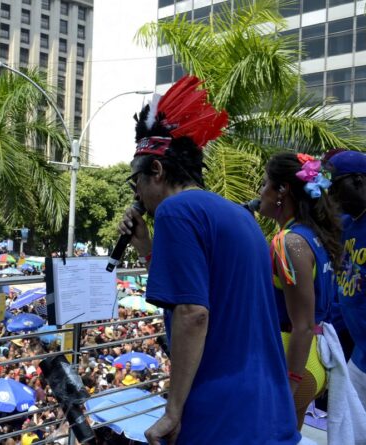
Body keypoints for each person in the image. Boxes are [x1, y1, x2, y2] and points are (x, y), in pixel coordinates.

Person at [119, 75, 300, 444]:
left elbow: (193, 313)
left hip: (222, 415)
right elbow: (208, 293)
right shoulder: (237, 215)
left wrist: (172, 411)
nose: (135, 190)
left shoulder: (175, 211)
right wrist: (147, 249)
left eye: (135, 179)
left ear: (156, 170)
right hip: (268, 409)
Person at [259, 152, 342, 429]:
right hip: (311, 359)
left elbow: (302, 325)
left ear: (282, 190)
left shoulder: (289, 242)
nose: (261, 192)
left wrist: (290, 384)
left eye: (265, 184)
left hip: (291, 361)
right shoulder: (316, 236)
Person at [328, 150, 366, 409]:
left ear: (359, 180)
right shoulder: (344, 224)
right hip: (358, 358)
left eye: (335, 187)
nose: (330, 196)